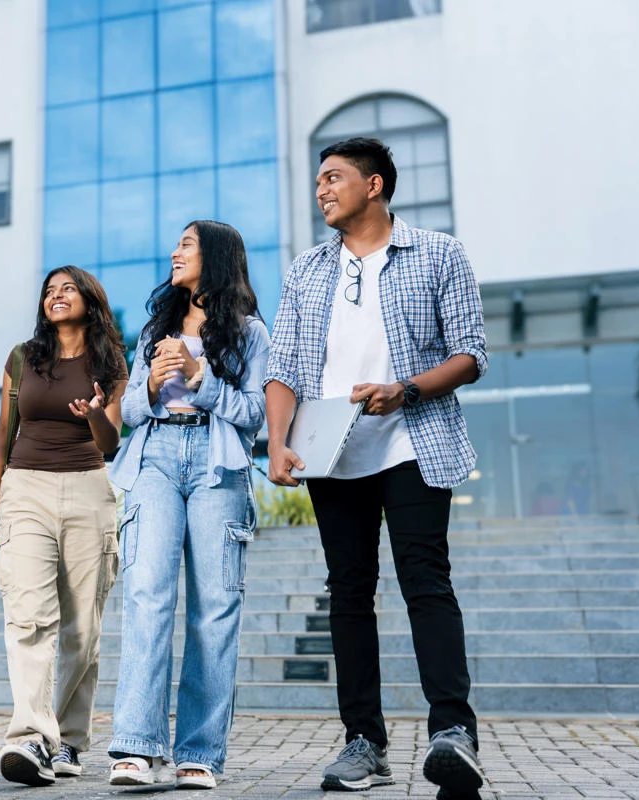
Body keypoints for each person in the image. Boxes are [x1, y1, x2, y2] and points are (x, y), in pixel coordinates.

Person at [264, 137, 487, 800]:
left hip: (413, 441)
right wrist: (278, 444)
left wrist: (406, 389)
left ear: (376, 184)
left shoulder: (439, 252)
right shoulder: (307, 270)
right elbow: (283, 368)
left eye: (334, 178)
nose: (322, 190)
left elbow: (471, 353)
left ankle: (453, 733)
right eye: (317, 181)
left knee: (426, 581)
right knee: (348, 594)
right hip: (332, 452)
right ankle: (365, 743)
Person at [106, 220, 270, 790]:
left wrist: (199, 377)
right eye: (176, 244)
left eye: (187, 244)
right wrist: (151, 384)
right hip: (155, 456)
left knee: (215, 608)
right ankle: (134, 747)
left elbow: (256, 414)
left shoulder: (250, 333)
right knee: (147, 593)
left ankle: (199, 753)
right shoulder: (157, 329)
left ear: (217, 258)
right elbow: (128, 411)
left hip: (218, 462)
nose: (175, 253)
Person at [0, 266, 128, 787]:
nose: (55, 296)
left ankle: (67, 740)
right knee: (29, 615)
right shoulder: (24, 358)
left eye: (67, 289)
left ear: (89, 299)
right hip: (26, 489)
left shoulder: (109, 361)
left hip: (89, 489)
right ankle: (29, 736)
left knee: (82, 628)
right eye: (48, 290)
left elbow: (109, 441)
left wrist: (91, 413)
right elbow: (4, 429)